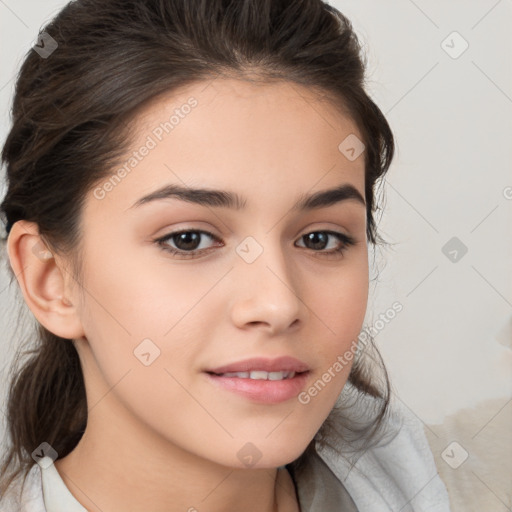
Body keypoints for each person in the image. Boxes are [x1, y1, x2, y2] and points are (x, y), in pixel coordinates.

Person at [0, 0, 452, 510]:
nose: (278, 304)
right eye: (188, 239)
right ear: (50, 280)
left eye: (320, 238)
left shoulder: (410, 469)